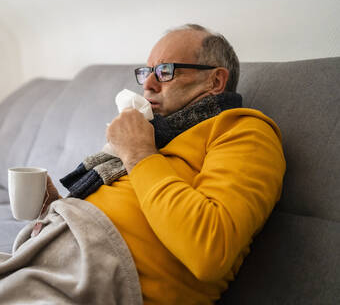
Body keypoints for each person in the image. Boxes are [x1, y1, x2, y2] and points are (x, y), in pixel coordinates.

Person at [45, 24, 286, 304]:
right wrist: (57, 207)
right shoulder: (159, 134)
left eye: (165, 71)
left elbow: (209, 251)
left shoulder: (244, 131)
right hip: (55, 253)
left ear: (215, 81)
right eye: (147, 72)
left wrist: (138, 154)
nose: (148, 83)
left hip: (95, 281)